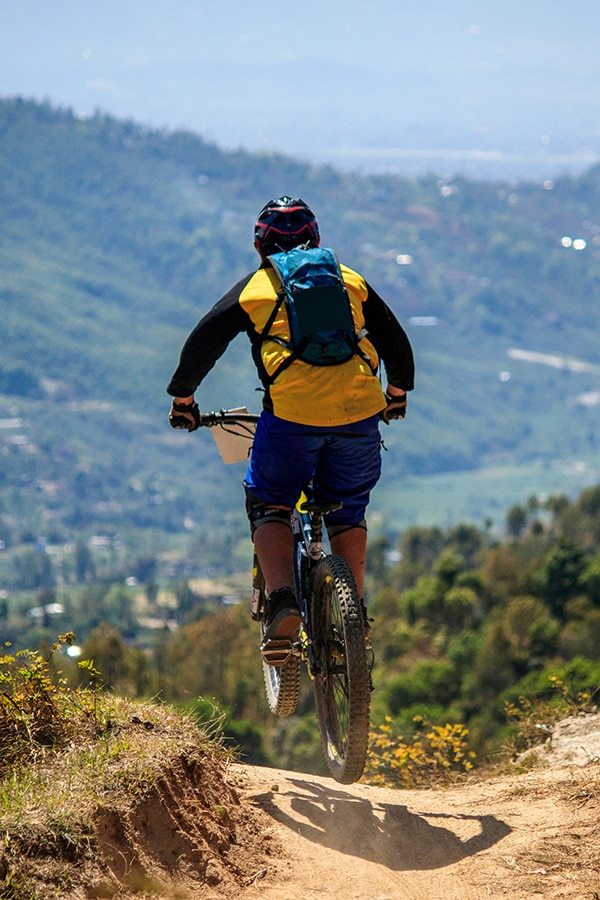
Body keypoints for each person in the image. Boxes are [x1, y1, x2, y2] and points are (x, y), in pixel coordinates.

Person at [167, 196, 414, 656]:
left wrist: (184, 399)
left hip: (291, 419)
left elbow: (205, 340)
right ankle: (353, 616)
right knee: (349, 507)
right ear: (316, 240)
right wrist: (396, 395)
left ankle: (282, 601)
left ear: (261, 247)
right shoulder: (350, 280)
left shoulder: (257, 288)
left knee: (270, 500)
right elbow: (396, 342)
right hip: (359, 415)